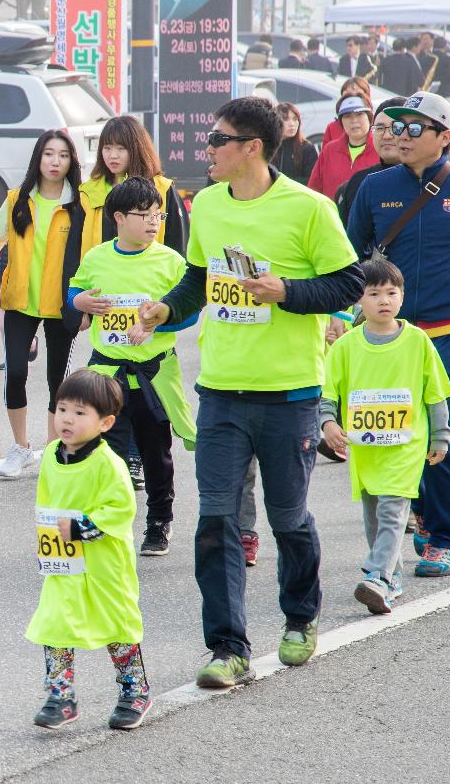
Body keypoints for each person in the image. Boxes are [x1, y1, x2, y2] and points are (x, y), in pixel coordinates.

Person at [139, 96, 364, 687]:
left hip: (289, 395)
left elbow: (348, 283)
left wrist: (284, 291)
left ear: (252, 148)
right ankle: (227, 648)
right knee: (215, 521)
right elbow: (197, 276)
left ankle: (299, 617)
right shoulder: (207, 204)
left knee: (288, 518)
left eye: (217, 140)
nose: (206, 150)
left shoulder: (309, 208)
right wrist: (166, 308)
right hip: (219, 391)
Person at [347, 92, 450, 577]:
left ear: (444, 138)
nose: (399, 135)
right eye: (396, 126)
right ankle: (423, 515)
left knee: (436, 429)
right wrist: (341, 316)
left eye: (414, 128)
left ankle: (443, 539)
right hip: (389, 335)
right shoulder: (374, 187)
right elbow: (349, 260)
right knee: (400, 429)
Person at [69, 177, 196, 557]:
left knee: (157, 454)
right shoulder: (97, 257)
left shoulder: (171, 261)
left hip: (154, 376)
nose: (153, 222)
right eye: (144, 215)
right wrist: (80, 305)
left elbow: (189, 312)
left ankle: (159, 521)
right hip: (107, 376)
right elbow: (76, 290)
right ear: (119, 218)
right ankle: (108, 523)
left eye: (157, 215)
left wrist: (156, 323)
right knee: (107, 453)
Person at [320, 258, 450, 614]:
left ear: (402, 296)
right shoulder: (346, 347)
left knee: (394, 512)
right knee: (374, 515)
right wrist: (328, 424)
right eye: (373, 293)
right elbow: (328, 394)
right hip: (365, 450)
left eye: (391, 293)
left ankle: (377, 575)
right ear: (357, 301)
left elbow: (435, 393)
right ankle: (390, 578)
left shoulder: (417, 341)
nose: (383, 300)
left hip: (405, 448)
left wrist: (441, 436)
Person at [26, 369, 150, 732]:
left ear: (105, 422)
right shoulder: (51, 454)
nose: (67, 419)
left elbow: (121, 508)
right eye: (62, 409)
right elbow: (46, 500)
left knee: (117, 622)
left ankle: (134, 690)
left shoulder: (108, 463)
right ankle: (60, 695)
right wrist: (47, 539)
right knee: (54, 623)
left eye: (80, 413)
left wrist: (83, 527)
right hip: (64, 560)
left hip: (104, 562)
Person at [0, 130, 85, 480]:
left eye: (63, 156)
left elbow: (88, 255)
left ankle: (51, 449)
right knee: (15, 372)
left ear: (70, 163)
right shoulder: (18, 199)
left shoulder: (79, 204)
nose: (55, 162)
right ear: (38, 158)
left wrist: (84, 306)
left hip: (62, 305)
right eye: (49, 154)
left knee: (57, 381)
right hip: (19, 301)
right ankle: (20, 447)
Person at [79, 116, 188, 257]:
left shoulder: (162, 189)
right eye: (107, 148)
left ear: (137, 149)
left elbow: (178, 244)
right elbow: (74, 252)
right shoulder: (88, 193)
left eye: (121, 148)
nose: (113, 155)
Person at [335, 97, 408, 227]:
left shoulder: (433, 179)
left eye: (395, 127)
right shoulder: (358, 183)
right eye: (379, 128)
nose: (386, 135)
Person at [309, 95, 379, 199]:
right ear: (341, 121)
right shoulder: (330, 150)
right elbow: (313, 189)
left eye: (359, 114)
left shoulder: (381, 149)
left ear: (369, 117)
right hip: (332, 214)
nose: (354, 120)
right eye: (347, 116)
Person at [271, 102, 319, 187]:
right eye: (286, 119)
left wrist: (284, 182)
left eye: (295, 119)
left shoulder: (307, 148)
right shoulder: (268, 147)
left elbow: (312, 180)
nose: (292, 124)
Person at [321, 77, 372, 147]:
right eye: (347, 95)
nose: (352, 98)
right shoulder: (332, 128)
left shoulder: (379, 126)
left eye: (358, 94)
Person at [425, 34, 450, 98]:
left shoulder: (427, 57)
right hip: (444, 91)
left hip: (429, 91)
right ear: (445, 47)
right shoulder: (448, 58)